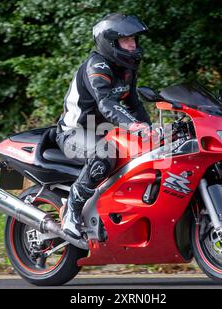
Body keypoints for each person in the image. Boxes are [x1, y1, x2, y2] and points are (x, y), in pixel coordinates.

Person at [56, 13, 154, 239]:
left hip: (103, 131)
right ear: (111, 43)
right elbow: (106, 103)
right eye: (126, 39)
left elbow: (133, 103)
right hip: (75, 132)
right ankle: (72, 209)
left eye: (134, 39)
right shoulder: (97, 66)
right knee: (105, 155)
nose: (133, 44)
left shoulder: (126, 67)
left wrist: (148, 129)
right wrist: (133, 125)